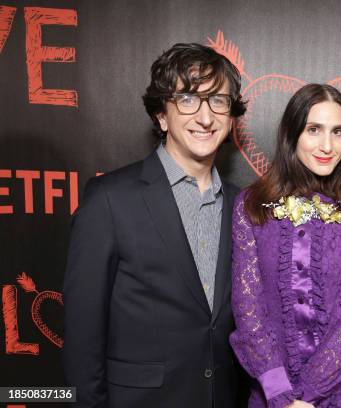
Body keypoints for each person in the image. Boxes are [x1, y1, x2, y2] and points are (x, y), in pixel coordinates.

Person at [63, 43, 247, 407]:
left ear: (230, 117)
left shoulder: (241, 205)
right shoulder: (109, 199)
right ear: (162, 115)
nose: (205, 117)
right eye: (188, 100)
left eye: (218, 101)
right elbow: (82, 336)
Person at [230, 83, 341, 408]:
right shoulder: (251, 206)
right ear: (292, 134)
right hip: (271, 391)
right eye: (314, 129)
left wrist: (308, 395)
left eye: (338, 132)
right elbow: (248, 309)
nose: (327, 145)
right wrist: (281, 394)